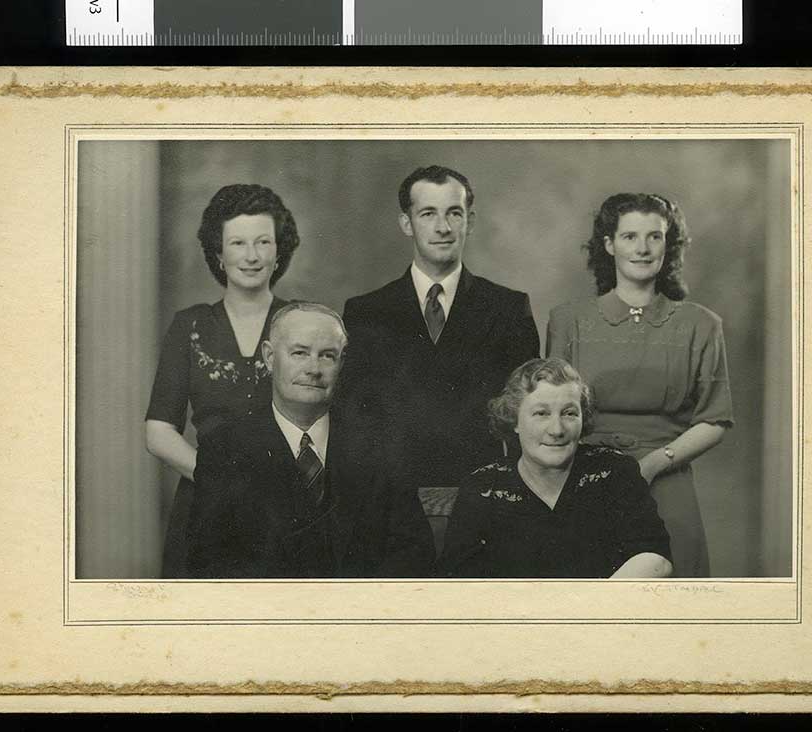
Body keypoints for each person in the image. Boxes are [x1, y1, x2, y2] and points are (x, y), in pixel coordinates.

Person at [546, 193, 734, 577]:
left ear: (670, 245)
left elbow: (715, 420)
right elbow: (554, 413)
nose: (643, 249)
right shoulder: (568, 321)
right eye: (630, 236)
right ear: (609, 245)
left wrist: (651, 465)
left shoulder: (701, 325)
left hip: (666, 473)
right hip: (583, 476)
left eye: (655, 237)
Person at [187, 302, 435, 578]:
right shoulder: (224, 448)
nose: (313, 369)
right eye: (299, 353)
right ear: (269, 357)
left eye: (327, 356)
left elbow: (413, 556)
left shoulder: (380, 445)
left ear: (341, 362)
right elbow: (208, 565)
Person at [340, 165, 540, 487]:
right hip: (390, 491)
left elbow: (525, 412)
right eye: (428, 214)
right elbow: (356, 417)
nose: (443, 227)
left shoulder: (508, 309)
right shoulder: (366, 312)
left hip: (484, 489)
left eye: (454, 214)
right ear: (407, 223)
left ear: (470, 222)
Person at [145, 184, 298, 578]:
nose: (251, 256)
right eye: (238, 243)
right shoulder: (190, 325)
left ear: (278, 251)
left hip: (289, 505)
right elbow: (159, 430)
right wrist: (219, 484)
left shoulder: (303, 322)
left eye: (263, 241)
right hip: (204, 505)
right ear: (218, 252)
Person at [438, 358, 672, 578]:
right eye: (541, 413)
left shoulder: (615, 472)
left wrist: (588, 610)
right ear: (514, 421)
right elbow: (459, 584)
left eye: (569, 413)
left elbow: (655, 559)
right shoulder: (482, 488)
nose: (557, 430)